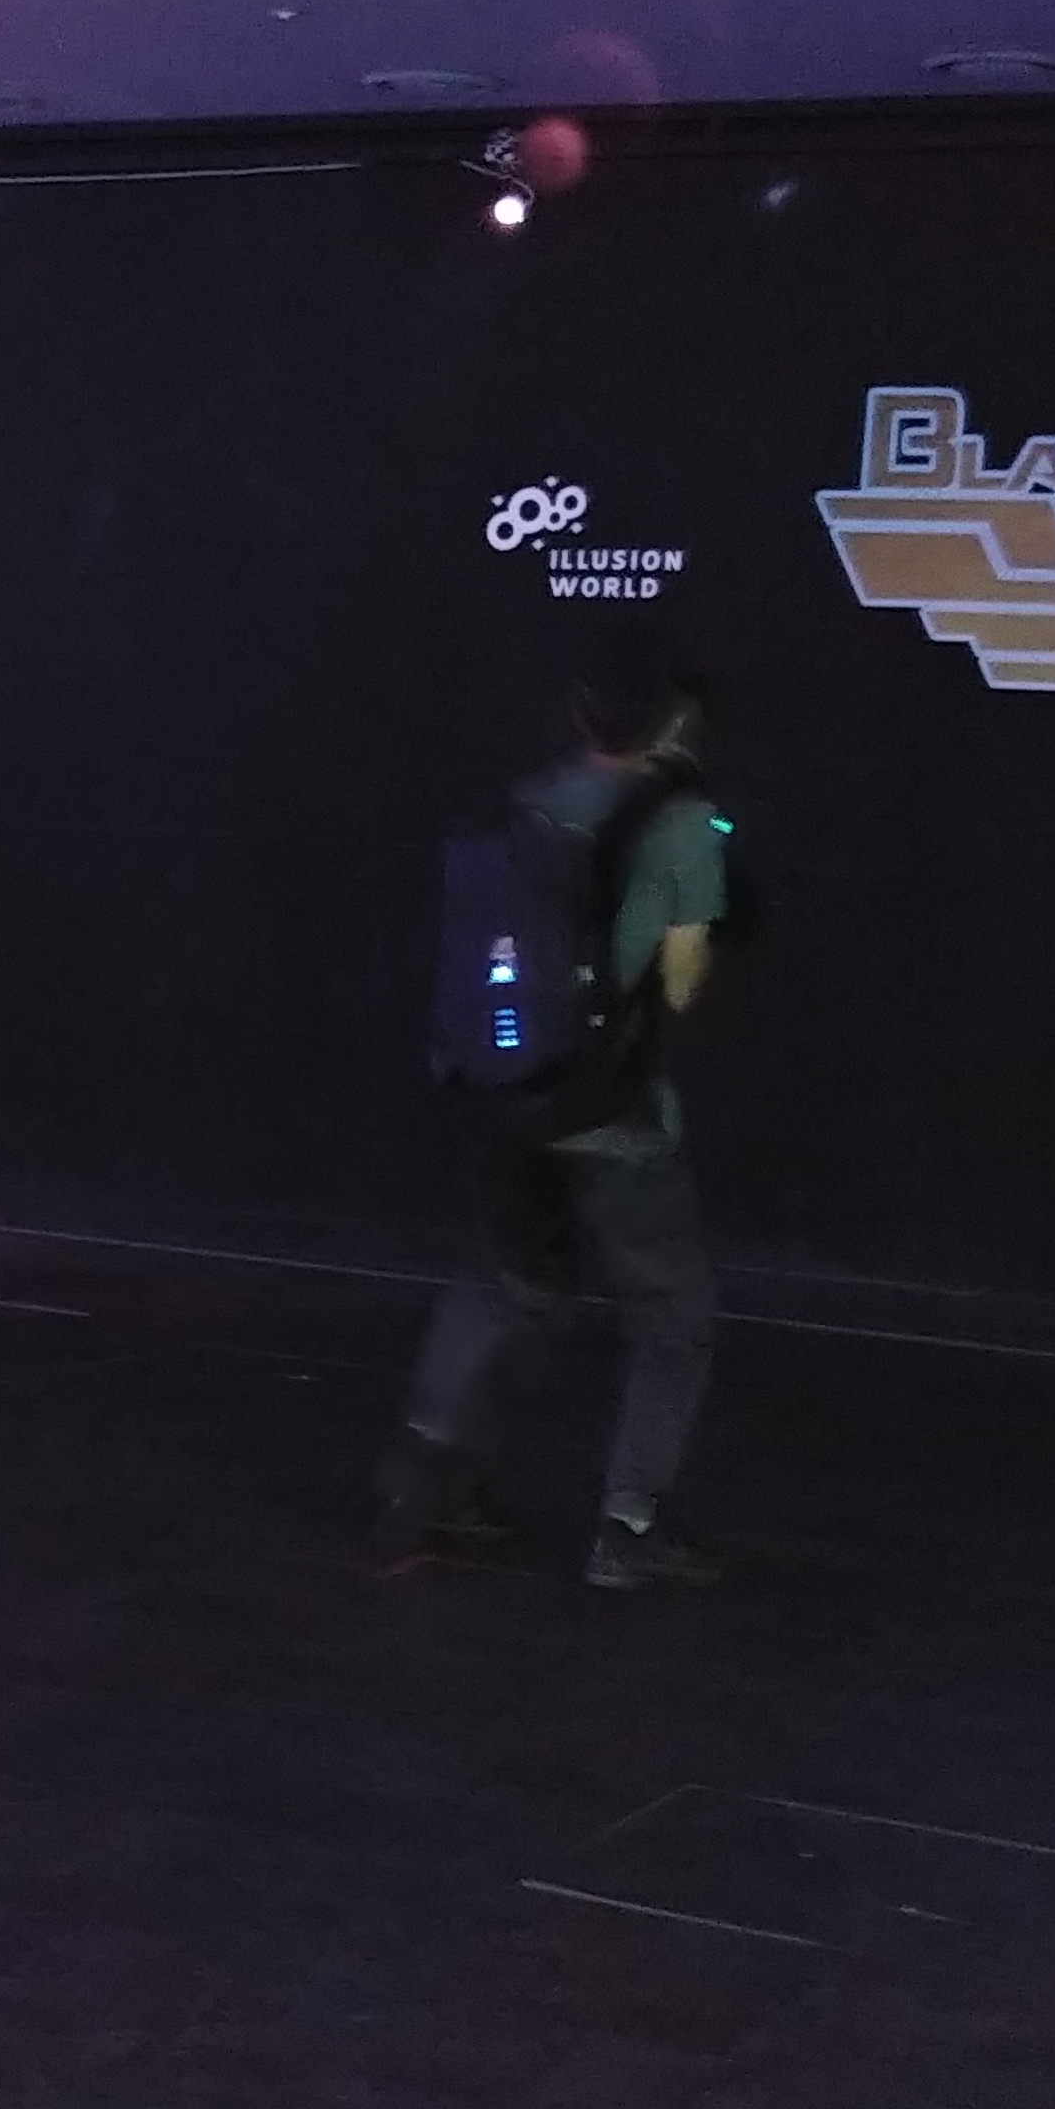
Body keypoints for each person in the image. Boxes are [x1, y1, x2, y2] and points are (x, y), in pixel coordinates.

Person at [373, 641, 729, 1590]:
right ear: (674, 723)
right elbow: (681, 983)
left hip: (509, 1096)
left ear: (580, 715)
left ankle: (430, 1490)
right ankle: (629, 1528)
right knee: (674, 1322)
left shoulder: (528, 802)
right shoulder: (684, 824)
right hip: (613, 1111)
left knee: (512, 1290)